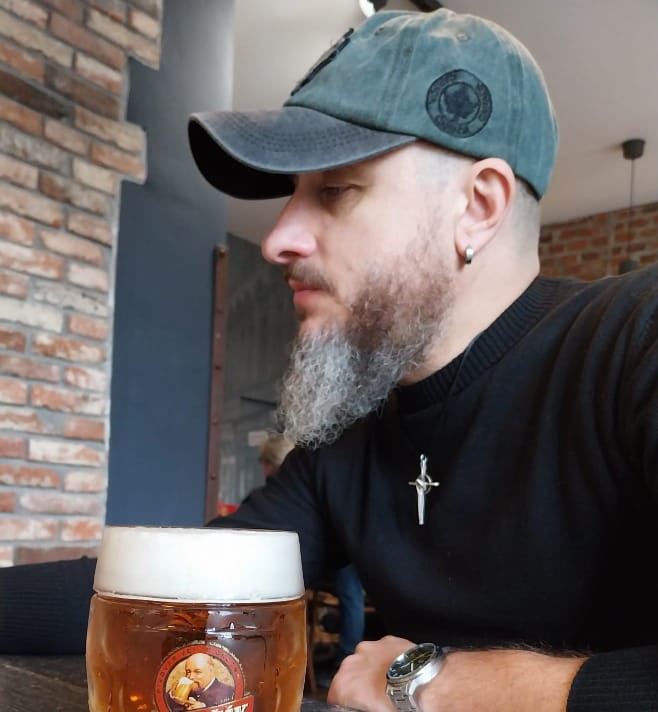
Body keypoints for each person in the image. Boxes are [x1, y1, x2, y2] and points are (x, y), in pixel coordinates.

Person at [0, 8, 656, 712]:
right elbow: (164, 588)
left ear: (477, 206)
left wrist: (444, 682)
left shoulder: (633, 338)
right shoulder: (351, 439)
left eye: (335, 190)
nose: (278, 238)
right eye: (292, 195)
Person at [256, 433, 366, 686]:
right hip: (337, 543)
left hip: (333, 544)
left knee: (349, 597)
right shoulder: (319, 472)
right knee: (350, 598)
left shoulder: (279, 492)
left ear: (267, 464)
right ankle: (342, 665)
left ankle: (343, 664)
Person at [166, 653, 234, 711]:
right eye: (188, 672)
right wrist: (172, 694)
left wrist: (204, 709)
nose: (191, 677)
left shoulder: (229, 692)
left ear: (211, 670)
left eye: (197, 672)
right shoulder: (186, 690)